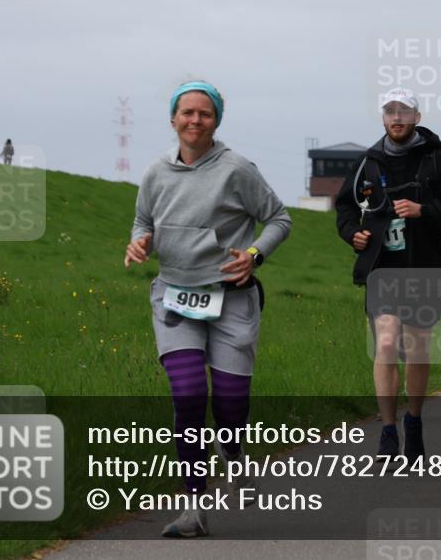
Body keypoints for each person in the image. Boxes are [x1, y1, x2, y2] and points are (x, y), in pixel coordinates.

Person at [124, 80, 292, 538]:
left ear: (216, 120)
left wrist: (254, 256)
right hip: (175, 297)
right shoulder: (156, 172)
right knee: (188, 394)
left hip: (232, 298)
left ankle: (233, 452)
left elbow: (279, 218)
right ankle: (193, 509)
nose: (195, 120)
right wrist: (139, 242)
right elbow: (143, 220)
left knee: (232, 405)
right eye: (187, 113)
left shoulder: (237, 169)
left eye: (205, 113)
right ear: (173, 118)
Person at [335, 87, 441, 461]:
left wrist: (423, 210)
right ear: (382, 117)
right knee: (385, 342)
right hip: (383, 269)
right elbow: (345, 208)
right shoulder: (367, 162)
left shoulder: (440, 163)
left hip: (423, 267)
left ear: (417, 117)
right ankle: (389, 431)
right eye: (390, 111)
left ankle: (414, 421)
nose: (397, 118)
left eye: (404, 111)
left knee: (416, 347)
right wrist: (353, 234)